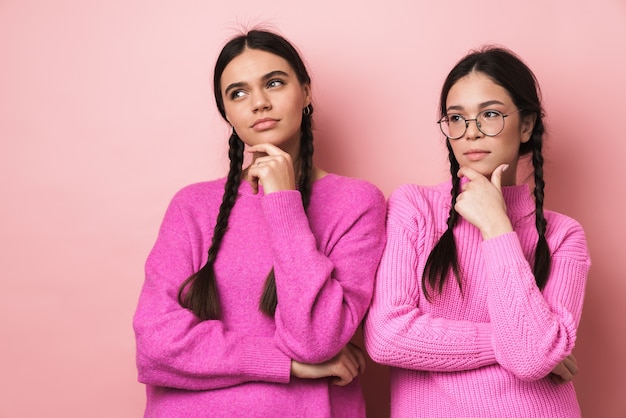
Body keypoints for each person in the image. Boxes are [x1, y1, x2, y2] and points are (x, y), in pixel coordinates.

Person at [133, 29, 386, 417]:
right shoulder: (192, 205)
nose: (259, 103)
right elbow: (154, 343)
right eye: (238, 93)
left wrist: (283, 202)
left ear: (305, 92)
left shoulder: (357, 203)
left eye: (274, 83)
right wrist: (285, 365)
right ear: (227, 113)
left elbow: (317, 340)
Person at [364, 46, 590, 417]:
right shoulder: (415, 207)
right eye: (456, 118)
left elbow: (533, 357)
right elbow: (386, 337)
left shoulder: (563, 235)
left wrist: (496, 225)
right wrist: (521, 344)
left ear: (527, 125)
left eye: (490, 114)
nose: (471, 133)